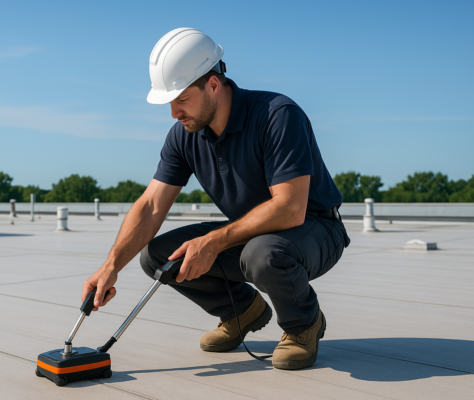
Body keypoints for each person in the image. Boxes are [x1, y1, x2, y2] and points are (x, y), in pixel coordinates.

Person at [81, 28, 350, 370]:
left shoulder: (277, 115)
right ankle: (241, 311)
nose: (174, 113)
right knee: (158, 256)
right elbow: (150, 206)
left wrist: (213, 241)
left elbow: (290, 207)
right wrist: (110, 267)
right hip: (254, 233)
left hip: (314, 228)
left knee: (263, 253)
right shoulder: (184, 136)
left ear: (212, 84)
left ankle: (303, 324)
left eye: (181, 99)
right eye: (170, 103)